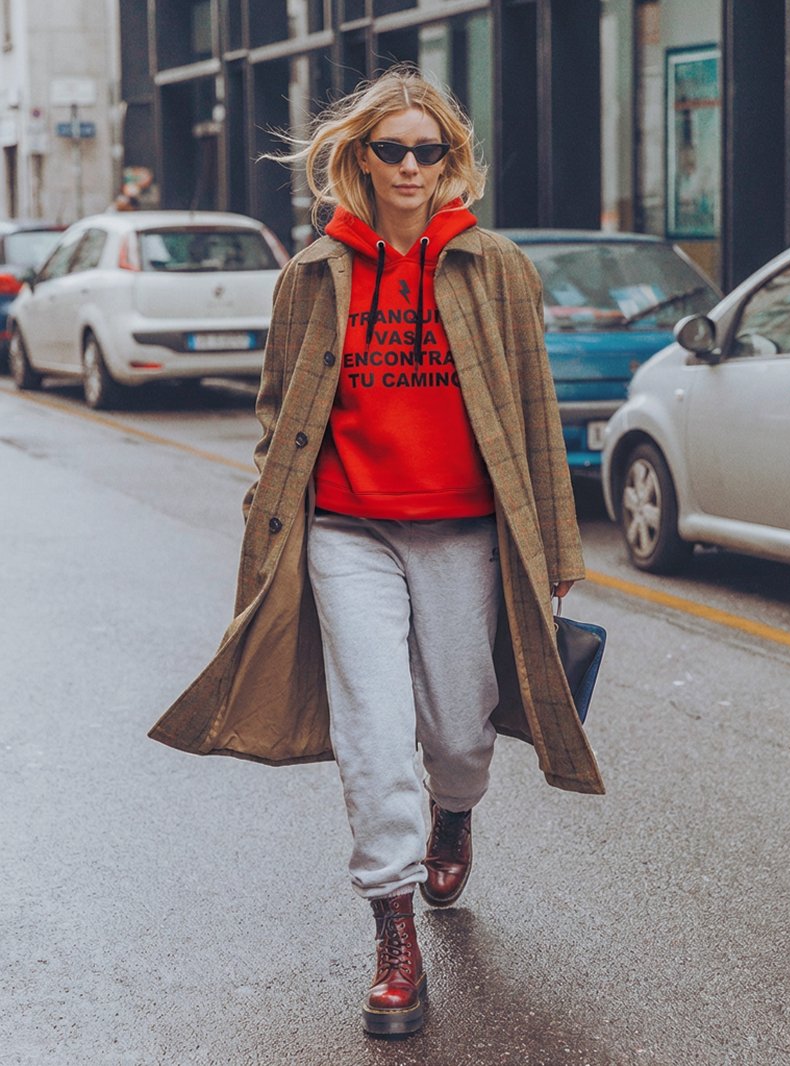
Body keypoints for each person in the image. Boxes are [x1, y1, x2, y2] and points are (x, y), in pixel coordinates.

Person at [148, 66, 604, 1038]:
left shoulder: (496, 269)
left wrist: (556, 545)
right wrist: (266, 520)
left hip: (464, 532)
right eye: (390, 149)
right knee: (373, 731)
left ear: (448, 160)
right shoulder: (312, 276)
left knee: (459, 730)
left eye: (425, 150)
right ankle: (393, 928)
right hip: (347, 532)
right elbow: (277, 415)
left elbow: (534, 411)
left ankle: (454, 811)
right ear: (359, 158)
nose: (408, 165)